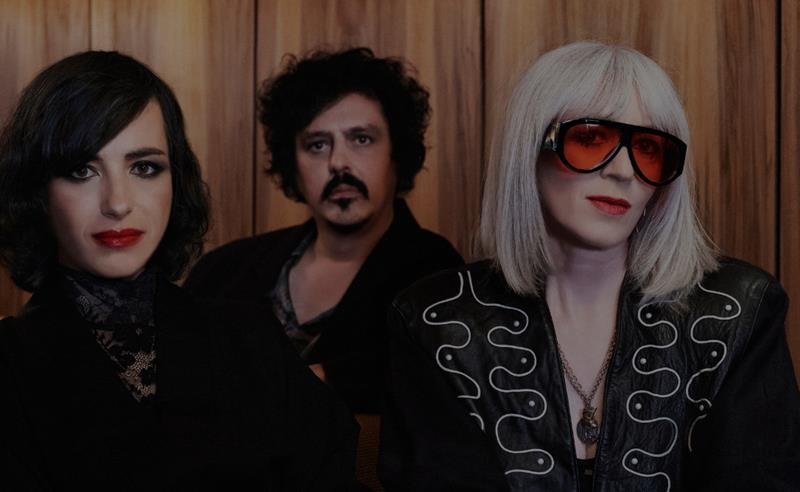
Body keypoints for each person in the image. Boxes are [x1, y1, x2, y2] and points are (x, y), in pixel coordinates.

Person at [378, 41, 800, 491]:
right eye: (590, 138)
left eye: (649, 148)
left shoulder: (737, 312)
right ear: (529, 150)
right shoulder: (437, 321)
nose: (623, 171)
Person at [0, 51, 357, 490]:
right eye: (81, 170)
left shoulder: (250, 337)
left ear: (176, 181)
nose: (118, 203)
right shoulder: (10, 363)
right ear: (38, 191)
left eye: (144, 167)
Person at [184, 47, 463, 414]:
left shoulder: (438, 274)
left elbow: (436, 384)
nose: (338, 163)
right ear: (293, 164)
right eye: (317, 145)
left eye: (361, 139)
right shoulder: (223, 270)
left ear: (397, 155)